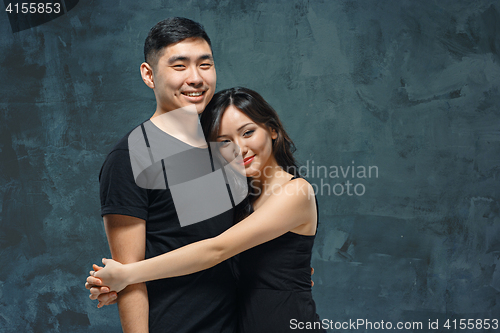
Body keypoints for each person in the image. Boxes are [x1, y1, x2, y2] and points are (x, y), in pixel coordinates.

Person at [87, 87, 325, 333]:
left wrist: (126, 275)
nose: (239, 149)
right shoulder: (240, 198)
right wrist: (115, 288)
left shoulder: (296, 192)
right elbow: (221, 267)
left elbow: (216, 250)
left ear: (273, 130)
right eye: (224, 142)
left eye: (248, 132)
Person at [87, 17, 240, 333]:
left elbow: (230, 242)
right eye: (179, 66)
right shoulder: (130, 157)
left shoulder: (227, 148)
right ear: (149, 75)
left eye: (205, 65)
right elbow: (129, 276)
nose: (195, 78)